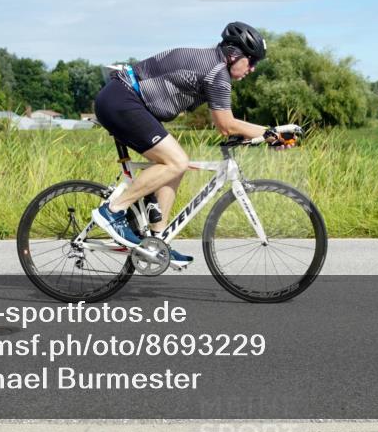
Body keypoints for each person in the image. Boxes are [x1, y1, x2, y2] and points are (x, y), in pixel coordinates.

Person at [91, 21, 288, 265]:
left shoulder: (213, 64)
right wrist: (272, 134)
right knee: (177, 161)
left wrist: (264, 135)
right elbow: (226, 125)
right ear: (235, 55)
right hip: (122, 100)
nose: (253, 69)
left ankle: (157, 242)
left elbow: (224, 123)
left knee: (174, 166)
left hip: (127, 101)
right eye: (252, 61)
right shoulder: (218, 73)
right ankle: (112, 211)